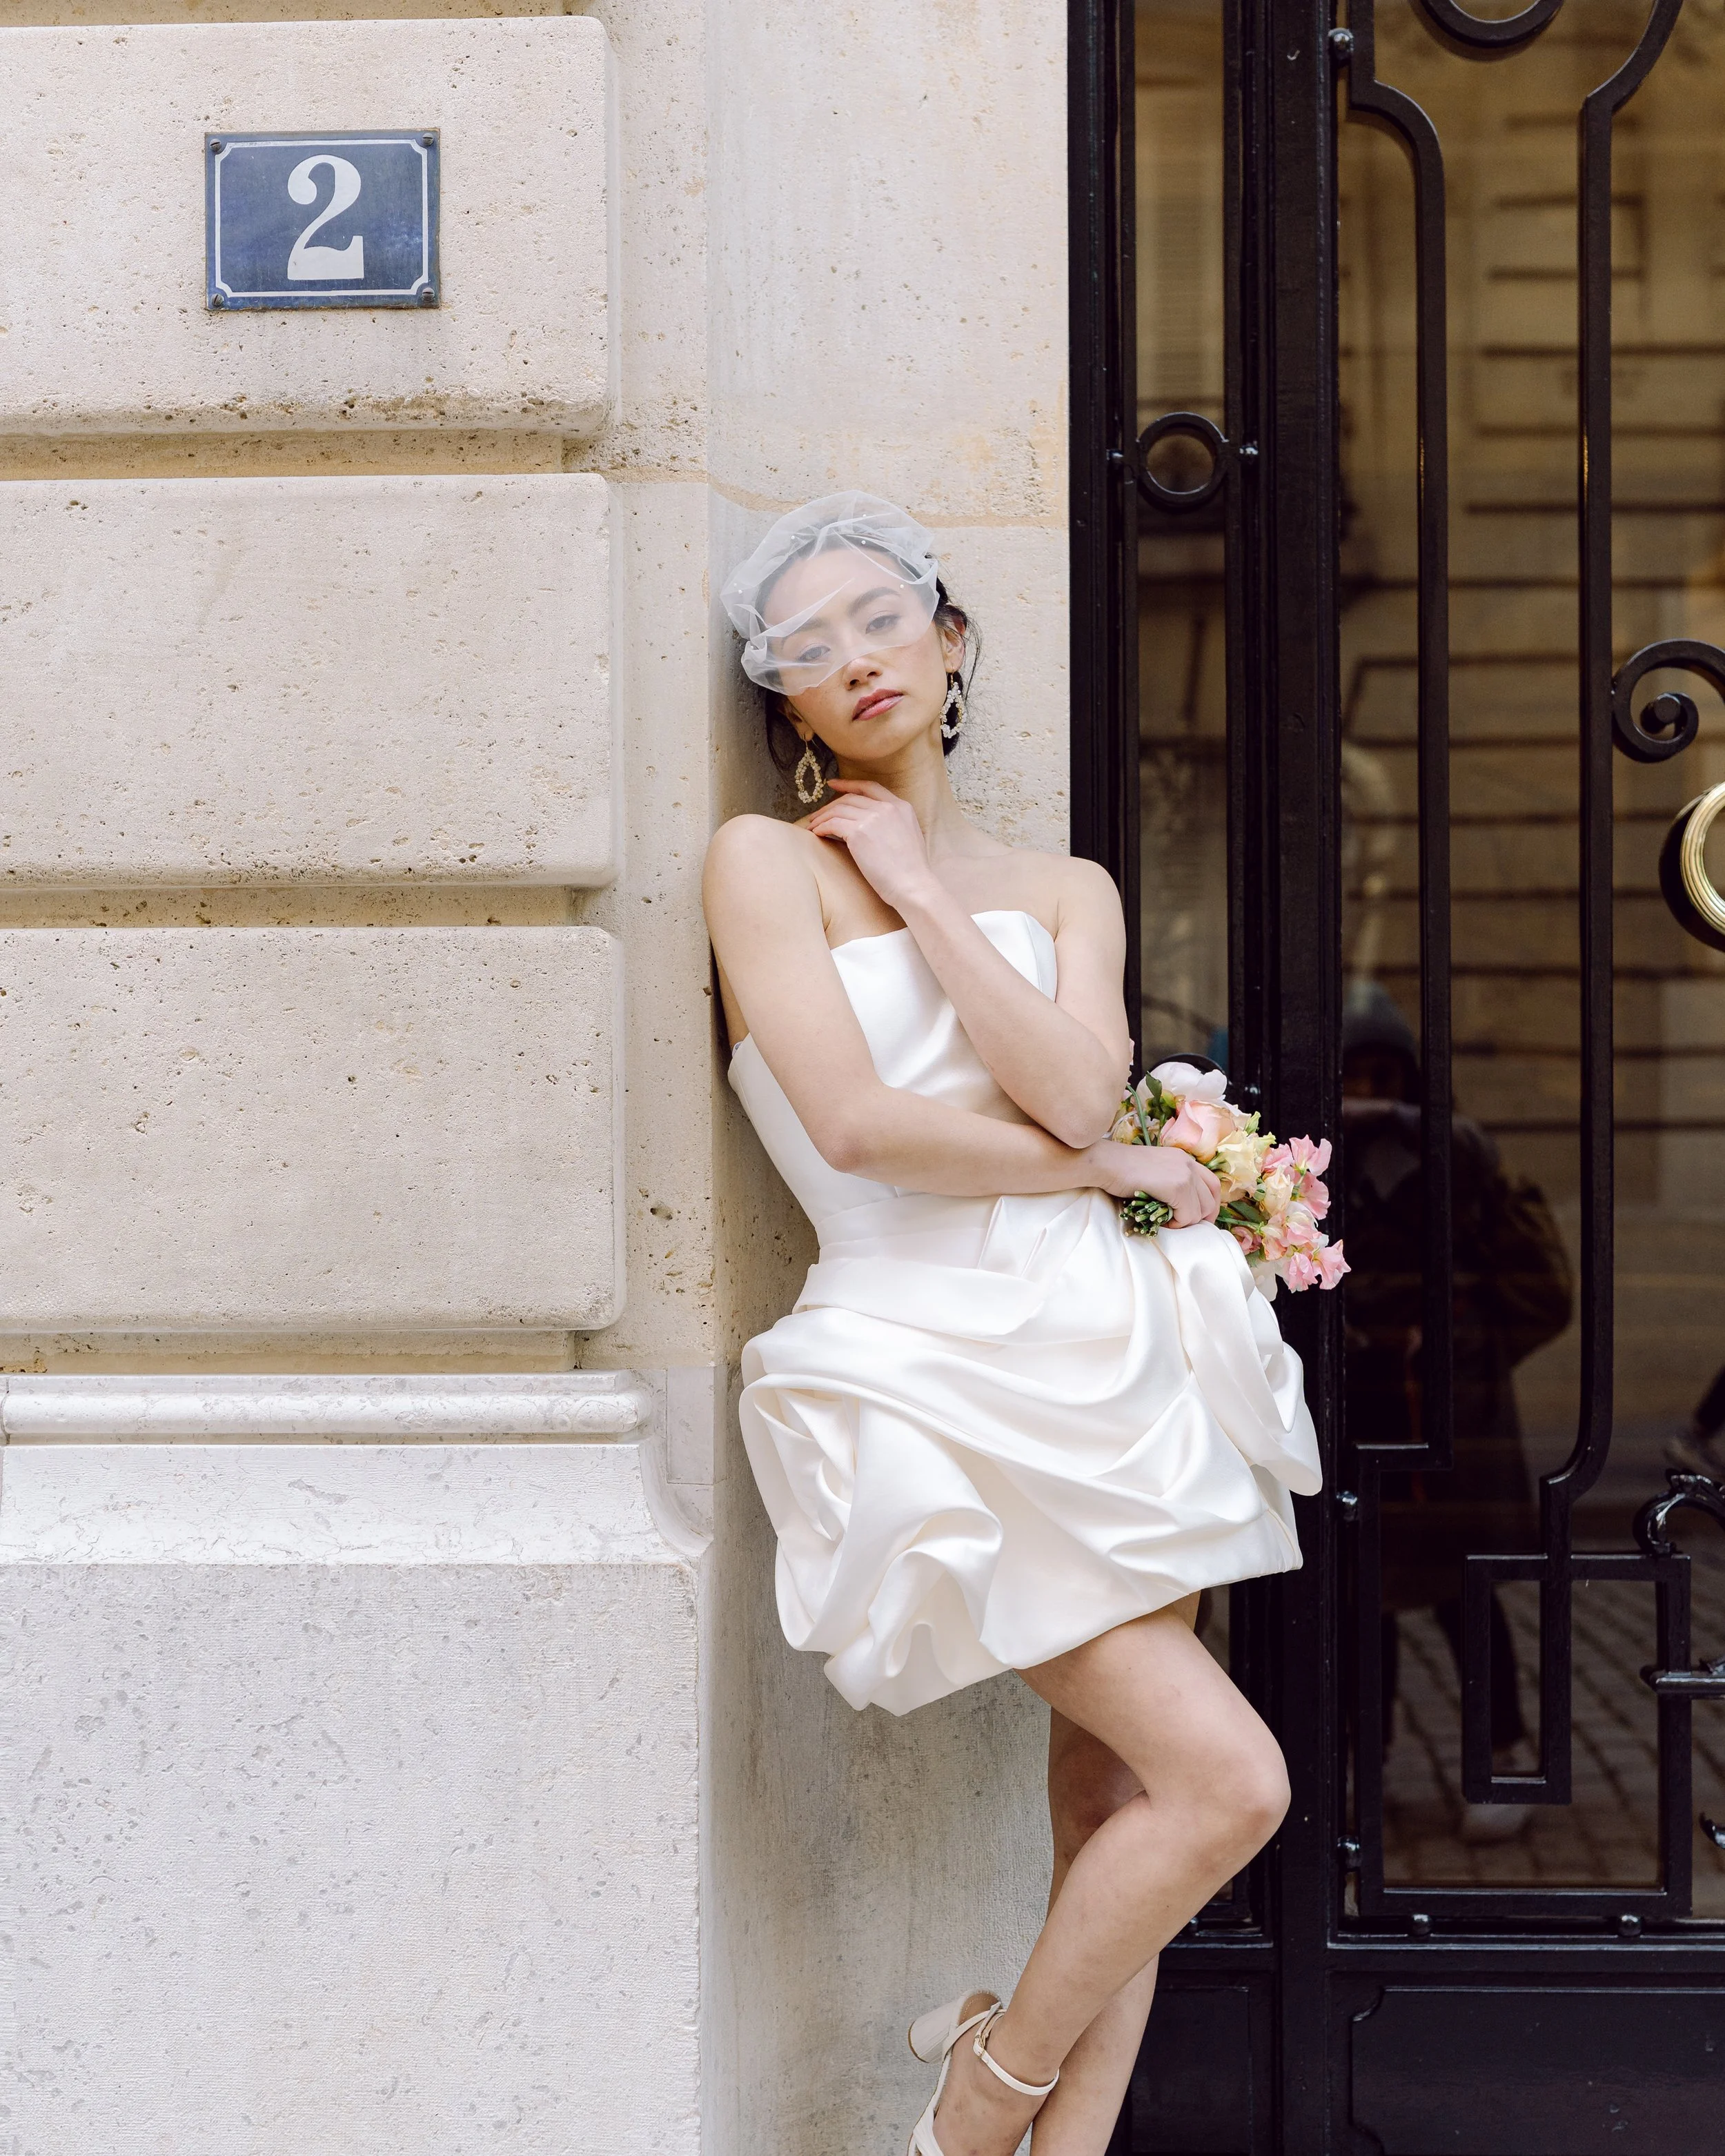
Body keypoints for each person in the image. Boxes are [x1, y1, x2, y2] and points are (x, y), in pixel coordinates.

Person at [702, 494, 1323, 2156]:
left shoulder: (1066, 886)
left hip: (1109, 1354)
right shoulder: (760, 860)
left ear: (950, 637)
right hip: (920, 1356)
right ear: (785, 698)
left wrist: (923, 890)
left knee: (1114, 1799)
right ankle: (979, 2102)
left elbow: (1072, 1091)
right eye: (807, 646)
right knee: (1231, 1782)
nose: (856, 659)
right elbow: (854, 1125)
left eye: (881, 617)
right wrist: (1102, 1166)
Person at [1340, 982, 1573, 1843]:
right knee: (1360, 1598)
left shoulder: (1458, 1154)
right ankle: (1363, 1765)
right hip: (1355, 1412)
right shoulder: (1312, 1163)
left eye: (1384, 1075)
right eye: (1355, 1074)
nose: (1369, 1091)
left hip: (1447, 1416)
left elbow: (1537, 1286)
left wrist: (1459, 1349)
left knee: (1464, 1594)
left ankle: (1499, 1756)